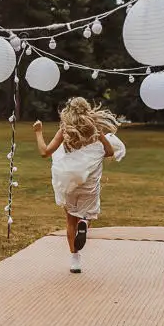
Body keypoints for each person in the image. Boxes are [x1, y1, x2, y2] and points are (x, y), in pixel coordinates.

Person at [33, 98, 126, 273]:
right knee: (87, 214)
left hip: (69, 183)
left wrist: (38, 132)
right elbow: (110, 152)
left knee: (70, 220)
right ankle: (85, 221)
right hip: (89, 183)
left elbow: (45, 152)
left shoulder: (65, 130)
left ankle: (75, 259)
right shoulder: (95, 130)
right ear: (88, 110)